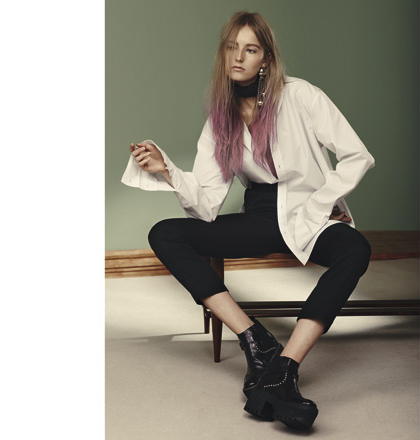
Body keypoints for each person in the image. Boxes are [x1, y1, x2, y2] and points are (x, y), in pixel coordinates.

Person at [121, 11, 375, 431]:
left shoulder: (301, 96)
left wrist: (320, 205)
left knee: (355, 249)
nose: (238, 57)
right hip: (258, 216)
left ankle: (285, 368)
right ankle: (255, 339)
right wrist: (166, 170)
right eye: (231, 47)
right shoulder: (219, 119)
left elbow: (357, 156)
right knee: (165, 233)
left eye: (250, 49)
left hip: (309, 215)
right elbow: (206, 205)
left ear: (266, 59)